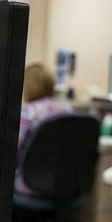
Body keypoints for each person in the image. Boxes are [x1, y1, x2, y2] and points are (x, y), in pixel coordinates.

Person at [15, 62, 73, 194]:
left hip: (30, 184)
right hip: (64, 184)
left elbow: (13, 148)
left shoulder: (28, 112)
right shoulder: (67, 110)